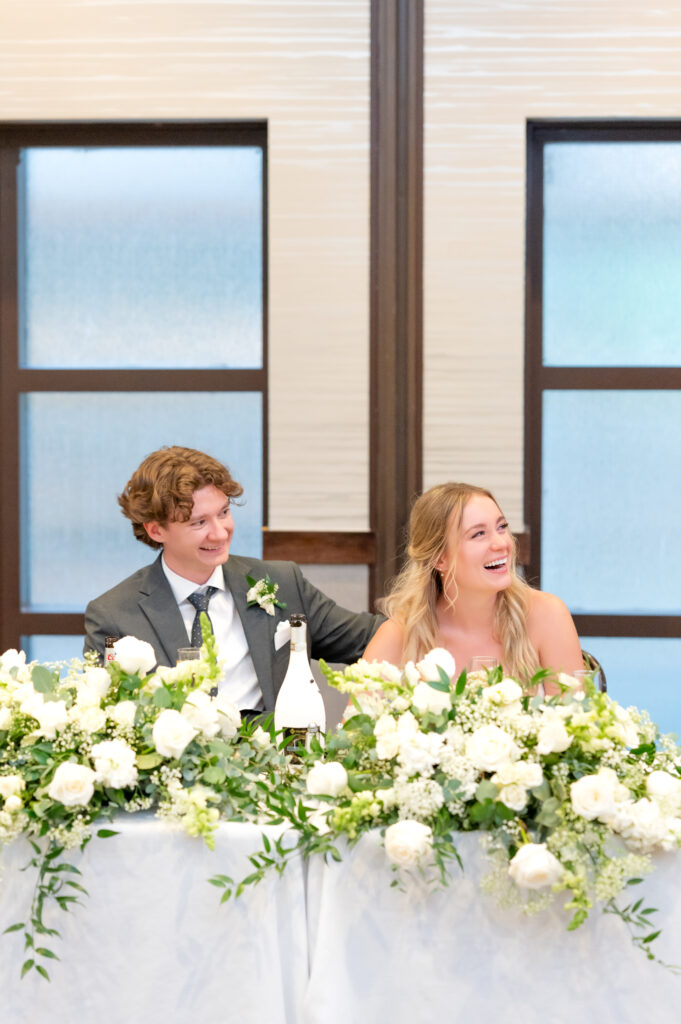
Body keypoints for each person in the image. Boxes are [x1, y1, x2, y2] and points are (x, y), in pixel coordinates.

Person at [84, 446, 383, 714]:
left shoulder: (280, 582)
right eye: (199, 522)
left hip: (275, 764)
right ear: (156, 531)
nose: (220, 532)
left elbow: (368, 636)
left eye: (224, 513)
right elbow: (106, 719)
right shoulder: (114, 615)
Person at [363, 482, 583, 694]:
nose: (501, 544)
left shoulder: (547, 615)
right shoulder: (399, 637)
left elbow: (577, 724)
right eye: (479, 534)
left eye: (502, 527)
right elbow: (355, 729)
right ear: (440, 559)